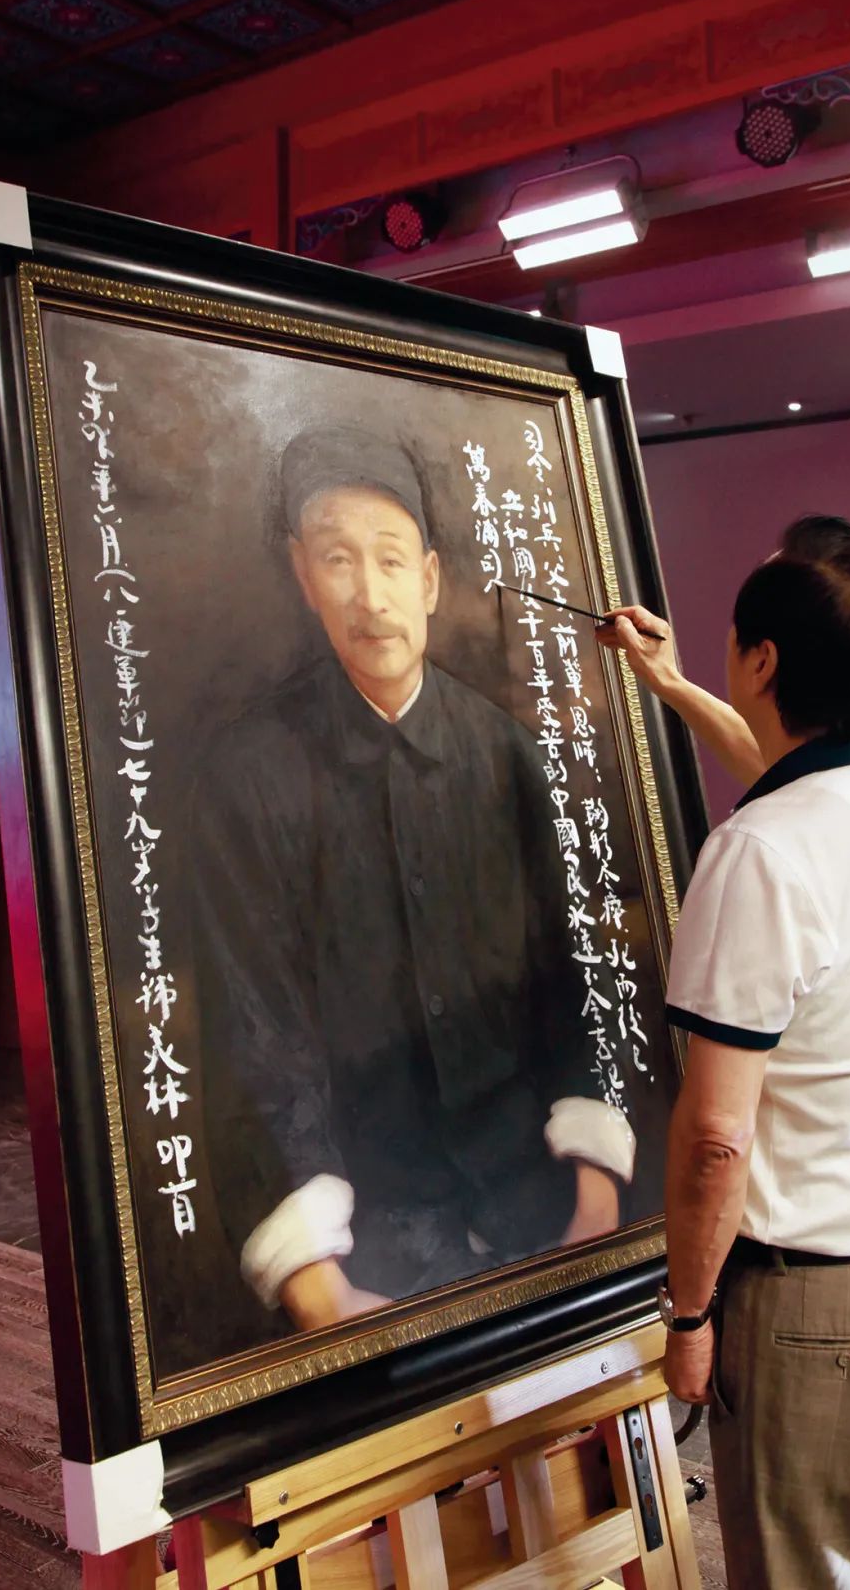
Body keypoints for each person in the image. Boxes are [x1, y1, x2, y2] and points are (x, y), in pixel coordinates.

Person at [598, 515, 850, 1590]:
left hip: (823, 1321)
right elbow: (791, 783)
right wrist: (674, 687)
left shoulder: (757, 856)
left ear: (763, 660)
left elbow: (716, 1136)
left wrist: (686, 1314)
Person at [191, 421, 635, 1334]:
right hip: (368, 1239)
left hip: (536, 1201)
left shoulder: (504, 753)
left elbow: (570, 981)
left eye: (392, 560)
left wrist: (594, 1187)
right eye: (338, 559)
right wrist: (316, 1280)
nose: (371, 594)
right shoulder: (247, 775)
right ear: (302, 575)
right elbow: (254, 1037)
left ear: (429, 579)